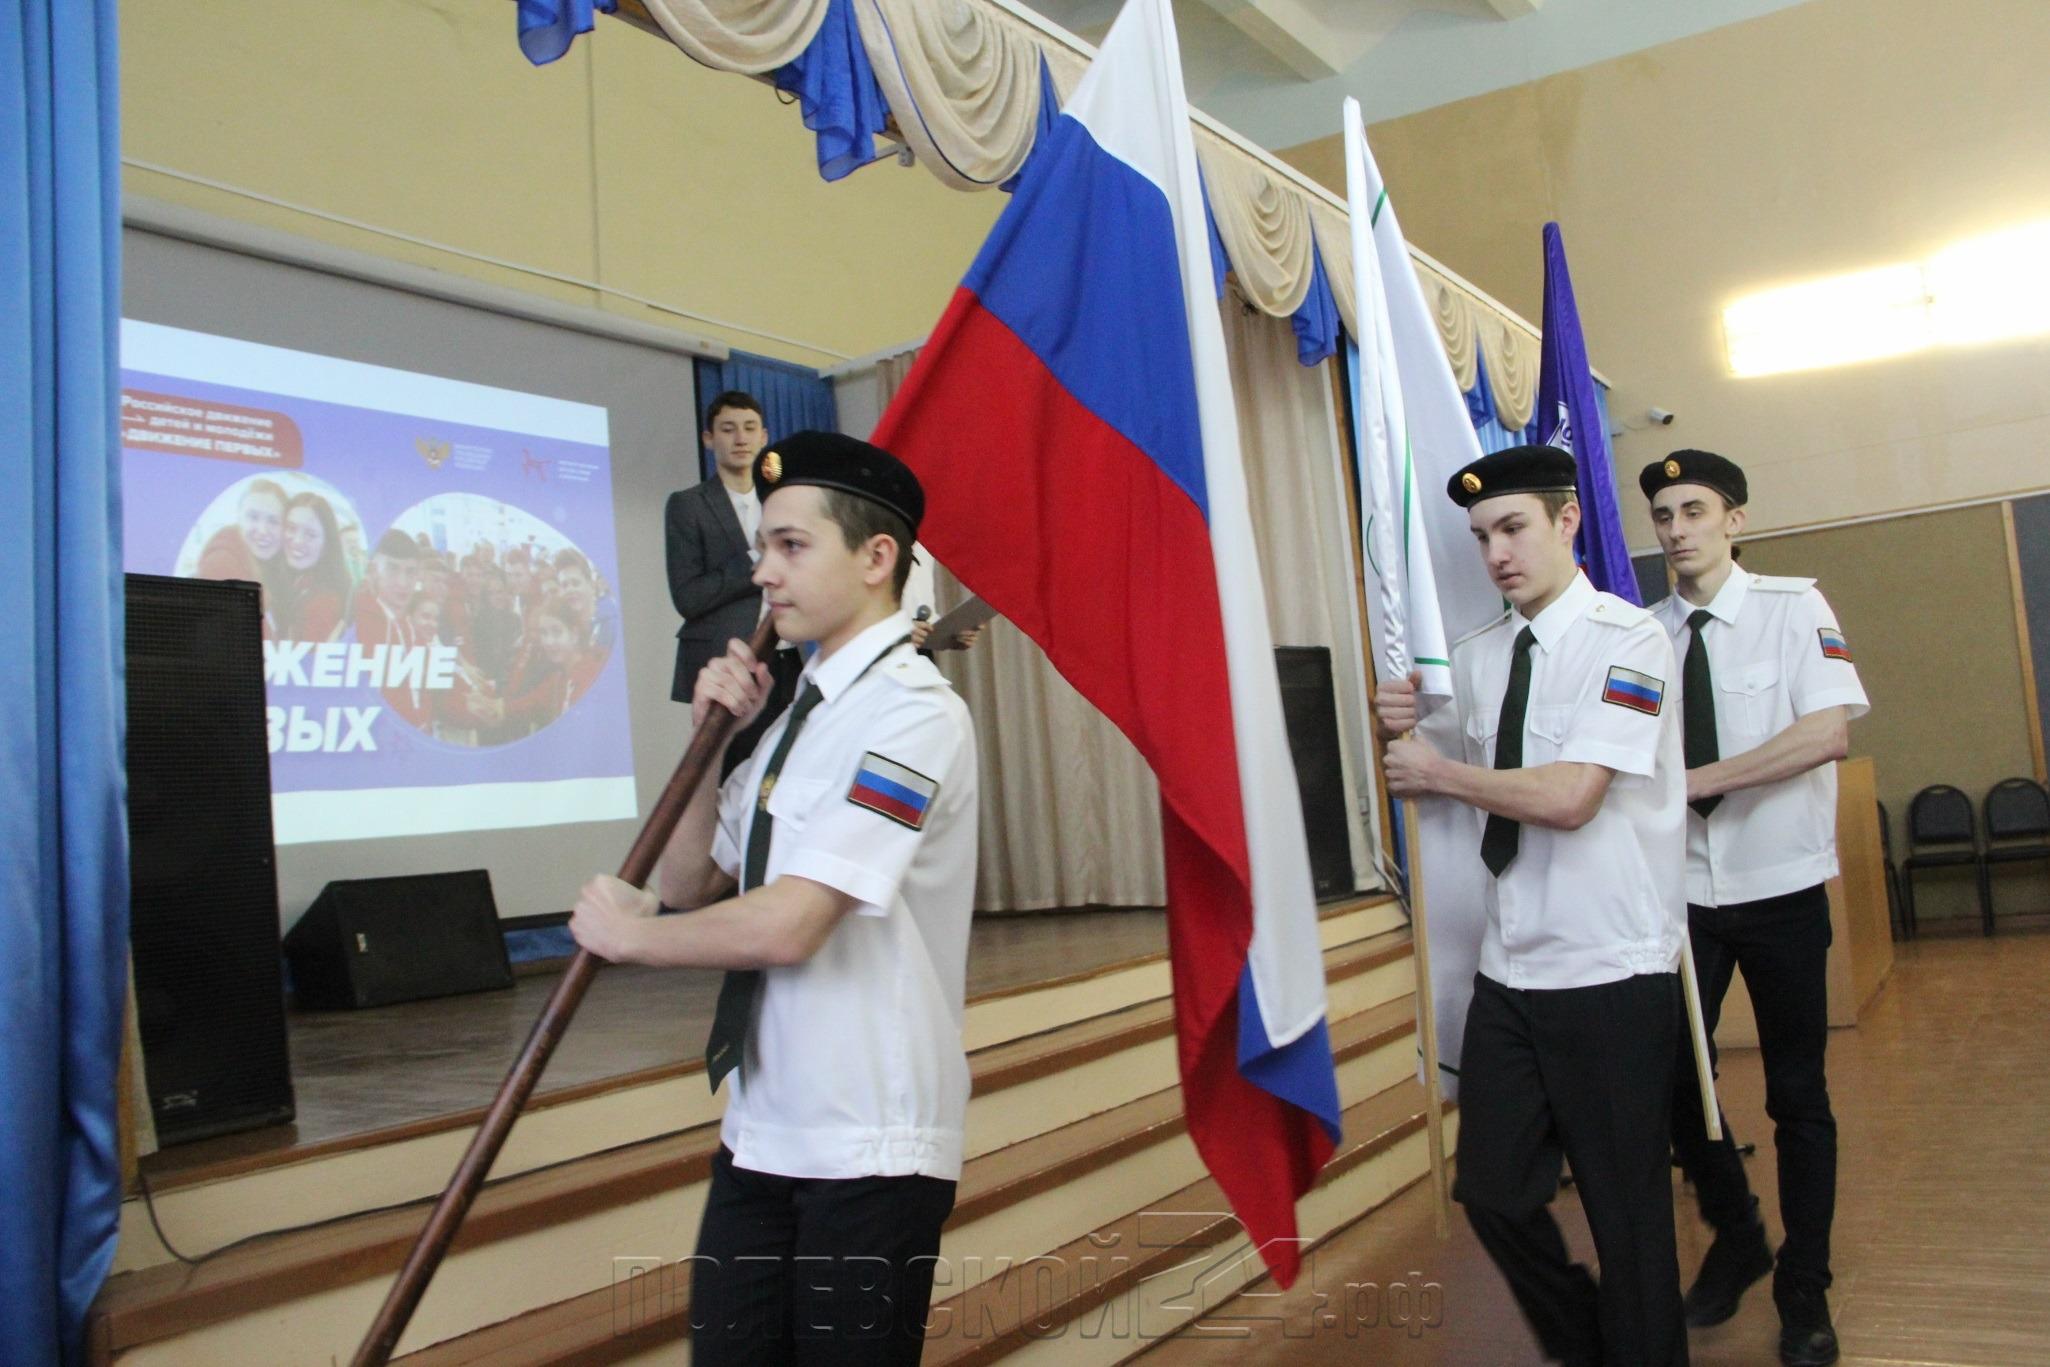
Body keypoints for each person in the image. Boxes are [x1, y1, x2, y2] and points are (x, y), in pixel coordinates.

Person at [571, 430, 977, 1365]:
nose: (763, 573)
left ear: (878, 558)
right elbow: (687, 881)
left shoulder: (913, 714)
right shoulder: (798, 714)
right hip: (765, 1127)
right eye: (763, 547)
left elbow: (795, 921)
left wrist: (633, 942)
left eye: (792, 545)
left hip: (869, 1142)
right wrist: (712, 736)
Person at [1376, 444, 1689, 1367]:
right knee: (1495, 1192)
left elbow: (1569, 796)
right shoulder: (1478, 658)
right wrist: (1395, 722)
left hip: (1609, 971)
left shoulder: (1631, 641)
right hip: (1510, 970)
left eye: (1513, 527)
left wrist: (1439, 769)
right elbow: (1420, 772)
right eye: (1479, 537)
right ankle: (1591, 1345)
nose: (1497, 553)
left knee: (1629, 1221)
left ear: (1567, 520)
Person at [1642, 451, 1868, 1367]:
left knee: (1796, 1094)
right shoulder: (1641, 632)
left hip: (1778, 891)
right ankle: (1738, 1232)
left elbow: (1828, 731)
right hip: (1682, 892)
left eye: (1695, 508)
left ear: (1733, 519)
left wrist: (1695, 780)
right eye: (1662, 513)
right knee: (1675, 1086)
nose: (1677, 528)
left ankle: (1804, 1289)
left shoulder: (1792, 609)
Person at [666, 391, 803, 775]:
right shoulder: (688, 504)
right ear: (709, 439)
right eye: (728, 429)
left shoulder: (783, 502)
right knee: (731, 776)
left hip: (788, 656)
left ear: (764, 437)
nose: (740, 439)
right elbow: (688, 597)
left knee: (787, 770)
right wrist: (754, 562)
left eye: (749, 429)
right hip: (726, 661)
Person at [196, 477, 289, 634]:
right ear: (239, 518)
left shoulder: (278, 568)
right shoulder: (221, 564)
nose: (262, 530)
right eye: (253, 517)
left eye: (273, 521)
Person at [277, 491, 352, 642]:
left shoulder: (323, 603)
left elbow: (308, 662)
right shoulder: (300, 580)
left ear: (326, 545)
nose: (297, 541)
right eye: (291, 528)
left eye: (310, 535)